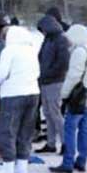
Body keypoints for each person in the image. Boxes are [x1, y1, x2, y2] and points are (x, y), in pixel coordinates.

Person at [50, 25, 87, 173]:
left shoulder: (79, 52)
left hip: (78, 99)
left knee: (70, 129)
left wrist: (63, 95)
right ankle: (82, 160)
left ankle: (67, 162)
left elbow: (73, 77)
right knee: (84, 130)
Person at [0, 26, 40, 173]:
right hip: (33, 93)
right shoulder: (31, 50)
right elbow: (38, 72)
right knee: (26, 131)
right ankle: (22, 168)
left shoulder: (9, 51)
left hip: (13, 94)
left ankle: (7, 169)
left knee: (8, 130)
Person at [35, 14, 70, 154]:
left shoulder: (61, 40)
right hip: (44, 81)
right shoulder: (47, 40)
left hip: (55, 82)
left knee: (55, 113)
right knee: (47, 113)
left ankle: (65, 143)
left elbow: (63, 63)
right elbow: (41, 57)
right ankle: (50, 143)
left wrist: (48, 74)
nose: (42, 32)